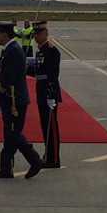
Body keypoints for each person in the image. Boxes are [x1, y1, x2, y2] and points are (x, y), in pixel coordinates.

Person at [0, 21, 44, 180]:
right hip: (10, 99)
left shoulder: (13, 51)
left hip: (14, 101)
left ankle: (34, 160)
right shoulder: (8, 50)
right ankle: (6, 169)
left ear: (4, 35)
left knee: (14, 134)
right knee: (10, 133)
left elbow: (9, 76)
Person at [26, 21, 61, 168]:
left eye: (39, 34)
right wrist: (25, 68)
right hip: (41, 92)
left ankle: (54, 158)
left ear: (46, 33)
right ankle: (48, 153)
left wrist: (51, 95)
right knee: (44, 125)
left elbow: (53, 75)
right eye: (35, 35)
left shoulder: (51, 51)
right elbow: (38, 72)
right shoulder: (40, 51)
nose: (36, 37)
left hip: (48, 93)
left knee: (50, 127)